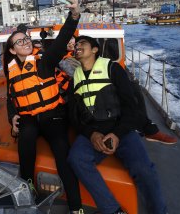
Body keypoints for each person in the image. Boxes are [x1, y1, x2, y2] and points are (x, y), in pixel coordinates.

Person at [67, 36, 167, 214]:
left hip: (121, 127)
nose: (78, 46)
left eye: (82, 43)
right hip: (94, 130)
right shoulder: (75, 77)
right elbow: (74, 116)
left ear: (95, 50)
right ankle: (112, 210)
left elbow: (131, 106)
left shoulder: (113, 69)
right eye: (76, 44)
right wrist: (91, 134)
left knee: (143, 168)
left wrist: (118, 134)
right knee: (76, 158)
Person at [3, 0, 83, 213]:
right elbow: (12, 97)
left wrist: (74, 14)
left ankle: (77, 208)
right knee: (25, 143)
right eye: (20, 42)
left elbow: (61, 40)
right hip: (29, 118)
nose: (26, 42)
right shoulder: (11, 71)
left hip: (53, 115)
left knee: (62, 153)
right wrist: (12, 117)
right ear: (12, 50)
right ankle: (28, 189)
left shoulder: (44, 61)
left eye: (26, 39)